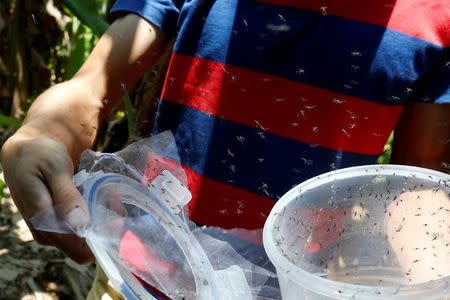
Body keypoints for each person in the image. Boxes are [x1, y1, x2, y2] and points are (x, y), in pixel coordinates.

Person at [1, 0, 449, 299]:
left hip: (294, 285)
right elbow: (92, 84)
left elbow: (416, 186)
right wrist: (41, 133)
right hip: (142, 274)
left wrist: (421, 280)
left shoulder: (438, 16)